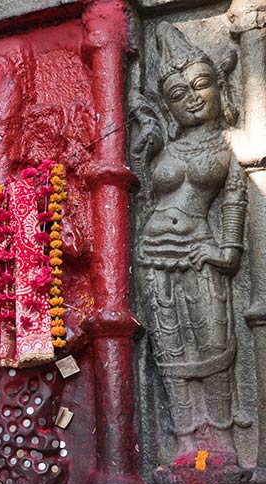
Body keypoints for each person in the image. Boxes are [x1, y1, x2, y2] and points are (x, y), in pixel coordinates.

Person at [136, 22, 247, 458]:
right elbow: (147, 194)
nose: (193, 99)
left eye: (201, 85)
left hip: (199, 250)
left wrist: (226, 251)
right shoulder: (165, 147)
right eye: (179, 95)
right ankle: (183, 443)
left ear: (220, 86)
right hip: (153, 253)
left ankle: (221, 441)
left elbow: (236, 200)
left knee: (214, 343)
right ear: (169, 107)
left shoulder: (230, 144)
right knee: (169, 344)